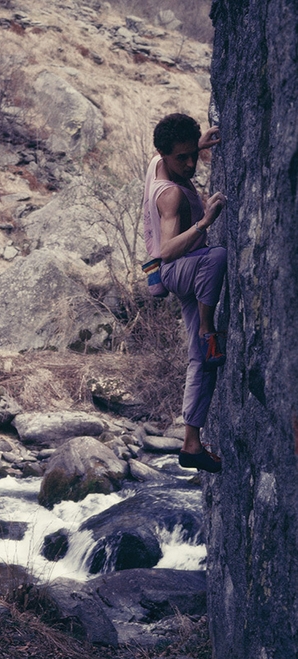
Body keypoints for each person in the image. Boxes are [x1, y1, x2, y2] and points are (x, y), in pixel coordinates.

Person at [143, 113, 227, 473]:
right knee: (217, 255)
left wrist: (199, 143)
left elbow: (180, 154)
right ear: (165, 154)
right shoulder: (172, 194)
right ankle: (209, 327)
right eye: (183, 157)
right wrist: (205, 222)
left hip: (185, 272)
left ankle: (191, 442)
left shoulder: (157, 163)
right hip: (182, 269)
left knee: (201, 360)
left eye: (194, 154)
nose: (191, 163)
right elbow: (166, 250)